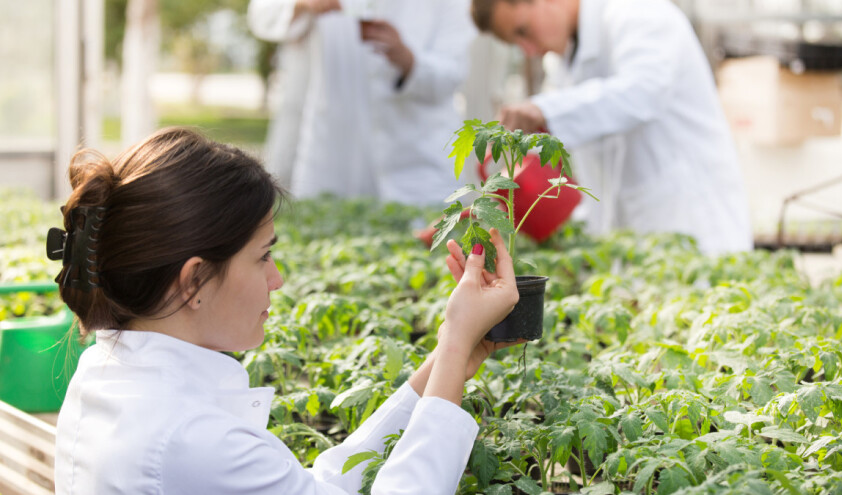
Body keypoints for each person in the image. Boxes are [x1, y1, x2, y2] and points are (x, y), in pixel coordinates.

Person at [51, 128, 521, 494]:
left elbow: (314, 486)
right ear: (194, 280)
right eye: (263, 257)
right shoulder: (194, 441)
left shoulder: (107, 373)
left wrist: (451, 356)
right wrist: (457, 342)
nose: (277, 280)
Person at [471, 0, 753, 254]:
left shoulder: (637, 12)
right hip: (637, 236)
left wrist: (544, 109)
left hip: (695, 223)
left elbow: (643, 92)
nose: (529, 50)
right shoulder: (564, 61)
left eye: (523, 31)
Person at [248, 0, 477, 206]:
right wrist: (300, 5)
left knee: (433, 247)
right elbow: (261, 15)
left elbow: (453, 75)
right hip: (334, 162)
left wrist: (407, 59)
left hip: (419, 169)